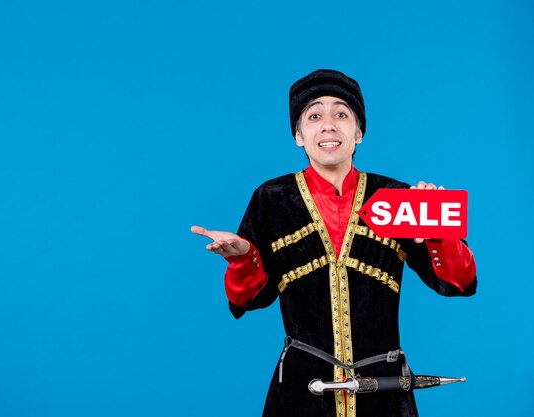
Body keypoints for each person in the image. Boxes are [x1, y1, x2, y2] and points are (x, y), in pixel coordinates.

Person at [191, 69, 476, 417]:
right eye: (314, 116)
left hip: (383, 391)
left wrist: (437, 229)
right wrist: (242, 258)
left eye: (341, 114)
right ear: (298, 135)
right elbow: (249, 299)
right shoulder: (270, 199)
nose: (328, 125)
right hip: (301, 393)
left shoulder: (399, 198)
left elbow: (458, 282)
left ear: (359, 132)